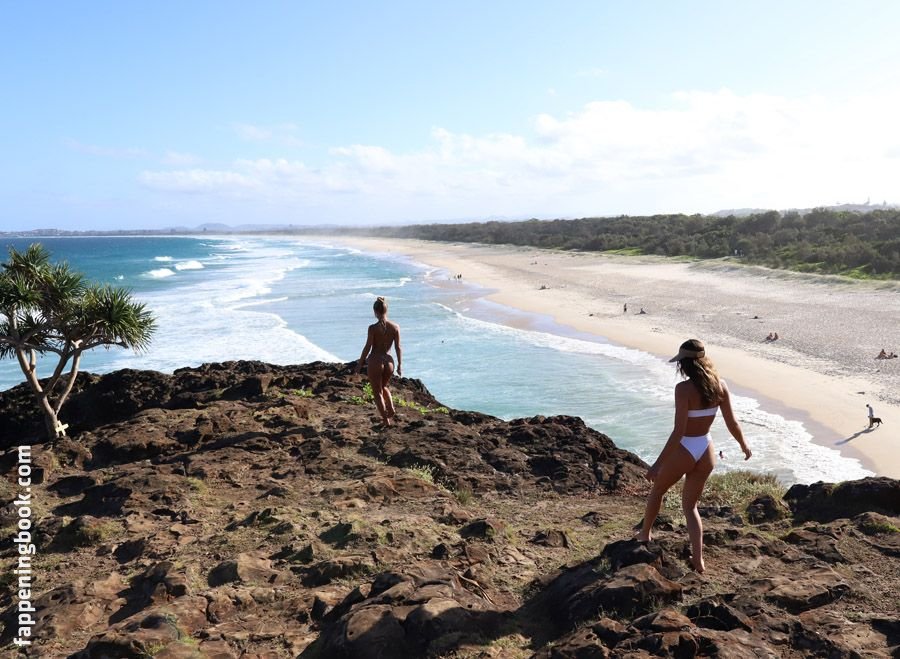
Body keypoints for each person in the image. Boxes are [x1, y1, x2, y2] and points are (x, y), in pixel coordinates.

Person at [636, 339, 751, 573]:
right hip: (706, 449)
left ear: (684, 364)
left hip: (685, 448)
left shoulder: (683, 389)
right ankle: (698, 561)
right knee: (691, 507)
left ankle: (645, 534)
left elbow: (679, 432)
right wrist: (744, 445)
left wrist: (657, 464)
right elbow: (732, 422)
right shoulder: (720, 386)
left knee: (658, 491)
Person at [355, 297, 402, 427]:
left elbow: (368, 347)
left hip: (375, 360)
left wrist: (360, 363)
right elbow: (398, 347)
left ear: (375, 311)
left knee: (377, 392)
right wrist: (400, 365)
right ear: (386, 310)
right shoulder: (395, 327)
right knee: (383, 386)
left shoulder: (372, 328)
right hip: (389, 361)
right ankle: (391, 408)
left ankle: (386, 420)